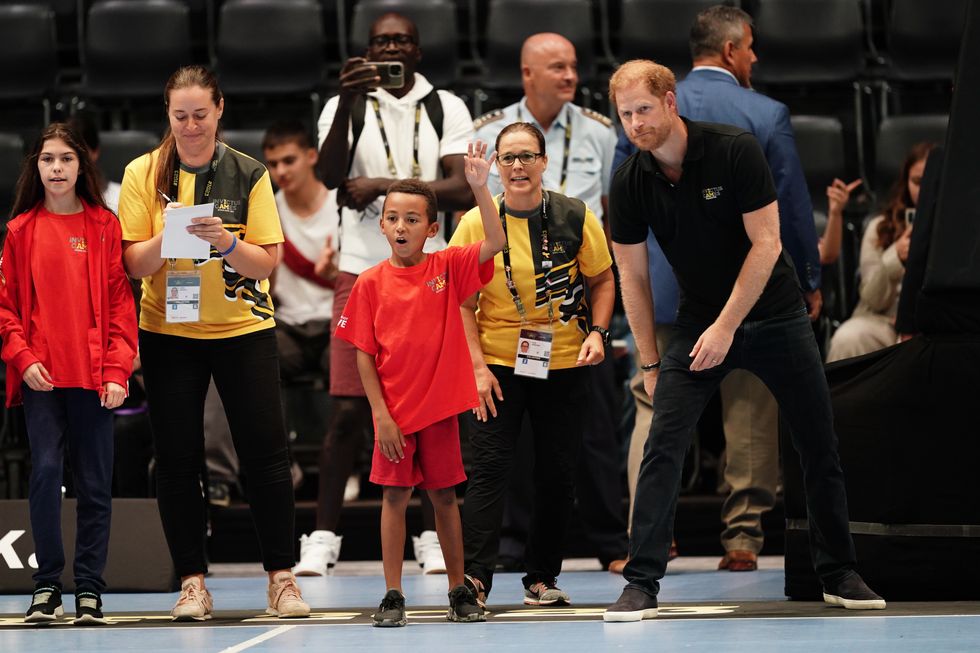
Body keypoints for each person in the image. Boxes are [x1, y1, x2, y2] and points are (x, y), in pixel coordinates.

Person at [604, 59, 885, 621]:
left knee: (818, 444)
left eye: (643, 109)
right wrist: (652, 364)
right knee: (663, 446)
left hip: (774, 315)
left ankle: (839, 572)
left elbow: (767, 244)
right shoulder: (631, 180)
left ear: (670, 103)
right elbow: (630, 276)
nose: (635, 124)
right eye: (625, 114)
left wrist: (727, 327)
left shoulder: (734, 149)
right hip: (698, 322)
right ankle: (642, 583)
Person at [614, 5, 825, 572]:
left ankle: (654, 536)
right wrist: (809, 280)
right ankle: (743, 537)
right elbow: (791, 210)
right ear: (731, 50)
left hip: (674, 287)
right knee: (749, 409)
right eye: (750, 46)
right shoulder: (765, 111)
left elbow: (625, 194)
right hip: (731, 289)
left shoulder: (647, 112)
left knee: (651, 412)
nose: (754, 56)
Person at [117, 65, 309, 621]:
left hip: (242, 328)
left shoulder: (248, 172)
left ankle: (282, 578)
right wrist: (167, 236)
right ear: (168, 115)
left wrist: (225, 241)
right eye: (181, 116)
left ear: (220, 108)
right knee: (177, 460)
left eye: (201, 114)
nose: (192, 126)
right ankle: (192, 583)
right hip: (168, 332)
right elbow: (134, 263)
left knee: (266, 457)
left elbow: (266, 262)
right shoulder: (142, 173)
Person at [309, 12, 476, 575]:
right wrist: (350, 103)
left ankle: (430, 536)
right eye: (381, 41)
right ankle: (323, 534)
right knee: (347, 410)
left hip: (429, 270)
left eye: (401, 39)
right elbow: (331, 175)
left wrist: (385, 187)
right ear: (368, 49)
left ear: (418, 50)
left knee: (430, 410)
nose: (391, 48)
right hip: (361, 266)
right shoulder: (344, 103)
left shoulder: (444, 106)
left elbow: (460, 189)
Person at [472, 32, 627, 573]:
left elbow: (608, 239)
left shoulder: (598, 138)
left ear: (540, 161)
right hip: (501, 341)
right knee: (499, 459)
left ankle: (604, 546)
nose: (570, 76)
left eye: (573, 66)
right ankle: (495, 563)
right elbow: (463, 292)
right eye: (557, 67)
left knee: (583, 448)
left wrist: (600, 331)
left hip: (569, 328)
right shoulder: (485, 158)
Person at [334, 149, 504, 626]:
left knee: (445, 498)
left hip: (439, 412)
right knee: (393, 499)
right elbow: (362, 354)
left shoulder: (447, 267)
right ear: (382, 226)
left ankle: (458, 589)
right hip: (393, 416)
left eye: (412, 218)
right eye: (393, 218)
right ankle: (392, 593)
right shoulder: (367, 283)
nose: (402, 226)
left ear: (431, 228)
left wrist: (478, 187)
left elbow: (495, 239)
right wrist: (381, 416)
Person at [451, 122, 615, 607]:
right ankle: (476, 578)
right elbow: (460, 302)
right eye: (508, 158)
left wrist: (599, 333)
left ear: (544, 161)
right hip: (498, 363)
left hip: (563, 360)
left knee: (557, 472)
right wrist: (477, 368)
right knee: (489, 469)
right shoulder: (476, 221)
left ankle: (541, 577)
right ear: (497, 166)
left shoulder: (575, 215)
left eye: (527, 156)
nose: (518, 166)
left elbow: (603, 281)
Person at [0, 122, 137, 624]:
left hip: (96, 378)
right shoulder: (19, 231)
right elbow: (5, 307)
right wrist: (23, 357)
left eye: (65, 159)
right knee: (46, 475)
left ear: (82, 165)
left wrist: (118, 369)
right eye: (46, 159)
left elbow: (122, 307)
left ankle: (89, 588)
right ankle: (45, 585)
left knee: (96, 484)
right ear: (35, 167)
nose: (56, 168)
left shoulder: (104, 226)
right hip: (42, 379)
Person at [260, 121, 344, 570]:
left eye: (288, 160)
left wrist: (336, 274)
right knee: (260, 363)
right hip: (289, 324)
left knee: (347, 367)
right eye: (272, 164)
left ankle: (352, 465)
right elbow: (263, 282)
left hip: (337, 320)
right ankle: (284, 464)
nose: (280, 171)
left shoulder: (339, 206)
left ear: (312, 156)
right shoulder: (268, 210)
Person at [827, 143, 934, 362]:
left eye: (932, 182)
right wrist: (896, 258)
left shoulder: (959, 228)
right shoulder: (880, 227)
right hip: (882, 319)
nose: (924, 190)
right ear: (905, 183)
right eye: (917, 182)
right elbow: (873, 300)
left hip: (935, 326)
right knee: (847, 337)